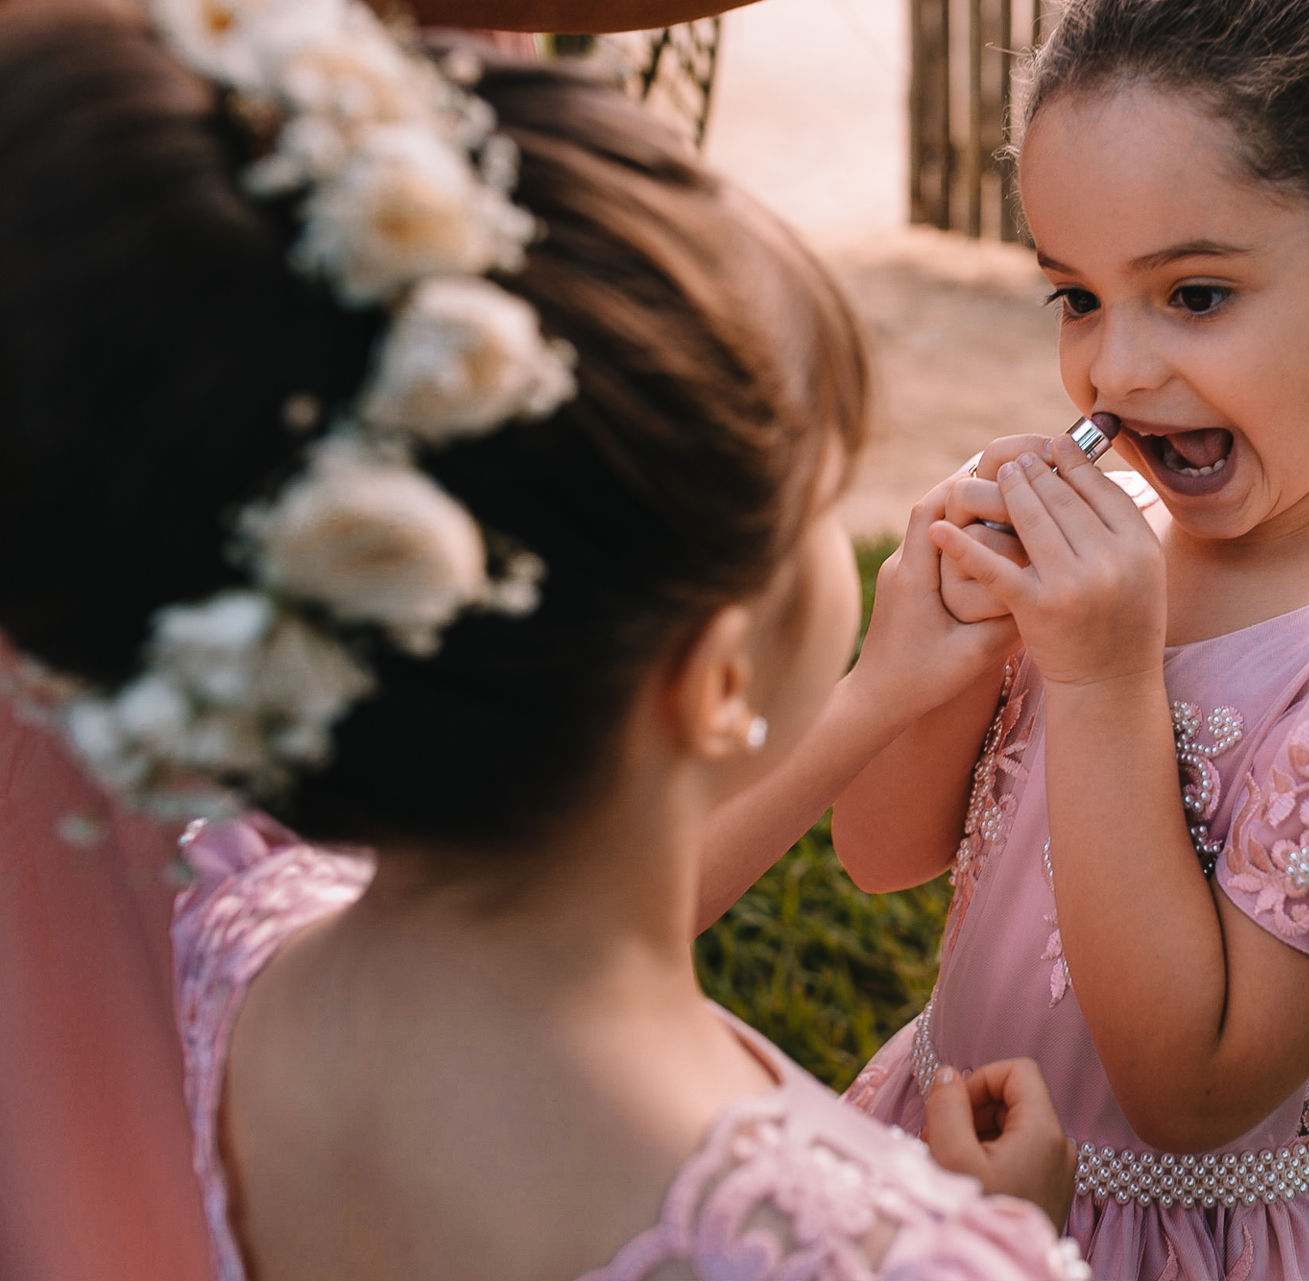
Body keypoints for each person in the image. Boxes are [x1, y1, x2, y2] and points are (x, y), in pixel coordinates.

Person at [0, 1, 1088, 1277]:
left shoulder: (233, 929)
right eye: (814, 497)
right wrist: (1013, 1232)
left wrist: (873, 701)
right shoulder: (896, 1252)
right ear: (713, 672)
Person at [833, 0, 1309, 1276]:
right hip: (962, 1152)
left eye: (1197, 293)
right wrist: (942, 650)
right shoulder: (1102, 559)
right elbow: (882, 853)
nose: (1114, 370)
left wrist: (1105, 675)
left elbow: (1191, 1093)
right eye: (1076, 295)